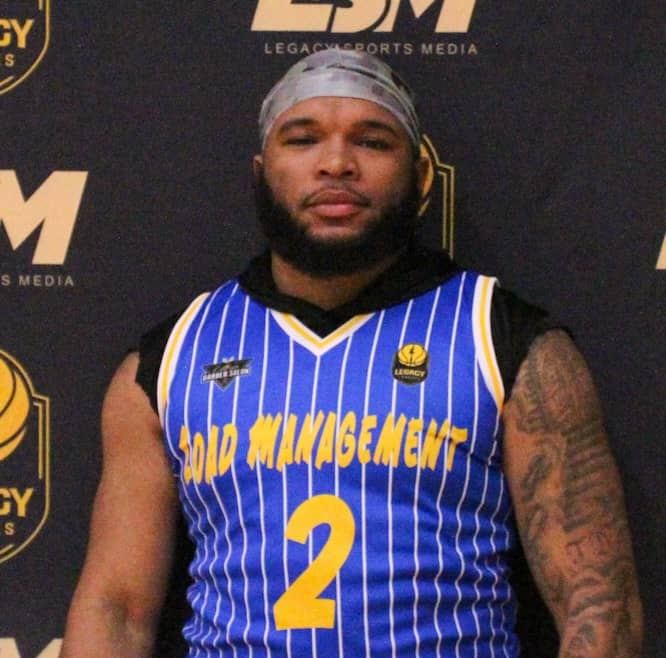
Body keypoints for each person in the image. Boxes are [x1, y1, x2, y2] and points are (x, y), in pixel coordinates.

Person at [60, 50, 642, 657]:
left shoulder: (506, 343)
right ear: (261, 172)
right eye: (303, 139)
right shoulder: (170, 360)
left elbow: (598, 606)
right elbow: (115, 609)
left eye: (372, 142)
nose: (336, 163)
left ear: (421, 175)